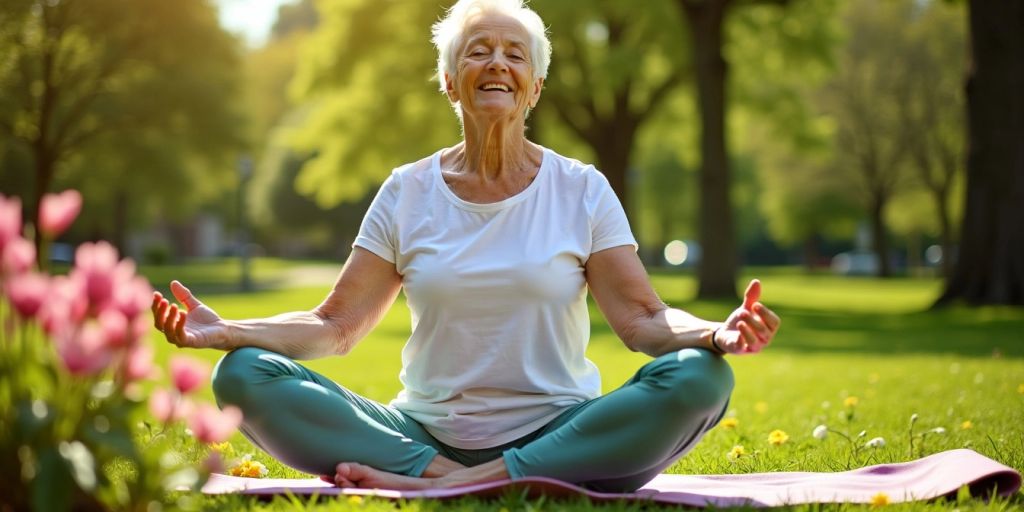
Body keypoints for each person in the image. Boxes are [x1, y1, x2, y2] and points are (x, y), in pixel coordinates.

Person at [151, 0, 780, 493]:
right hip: (417, 435)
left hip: (561, 429)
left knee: (701, 378)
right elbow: (334, 326)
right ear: (452, 82)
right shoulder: (407, 191)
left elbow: (643, 320)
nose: (498, 63)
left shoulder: (581, 189)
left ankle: (468, 482)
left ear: (533, 86)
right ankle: (445, 476)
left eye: (515, 54)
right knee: (244, 376)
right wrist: (228, 332)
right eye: (479, 52)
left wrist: (714, 335)